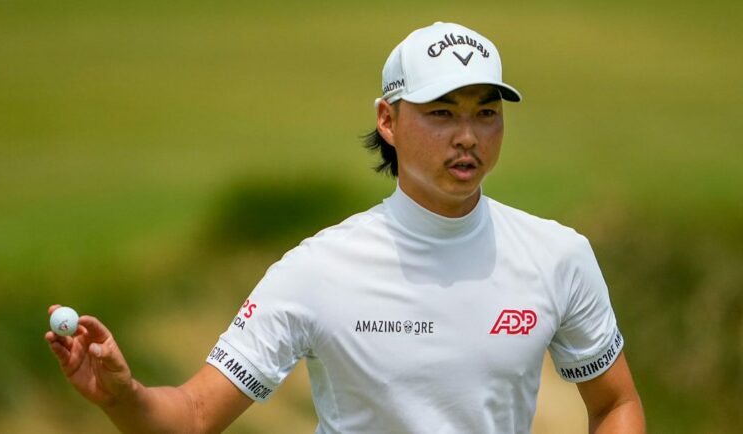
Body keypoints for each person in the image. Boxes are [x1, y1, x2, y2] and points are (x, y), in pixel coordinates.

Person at [46, 21, 645, 433]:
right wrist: (126, 399)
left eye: (486, 113)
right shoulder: (318, 270)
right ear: (388, 119)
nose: (468, 136)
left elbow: (616, 402)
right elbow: (195, 416)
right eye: (442, 113)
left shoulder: (557, 254)